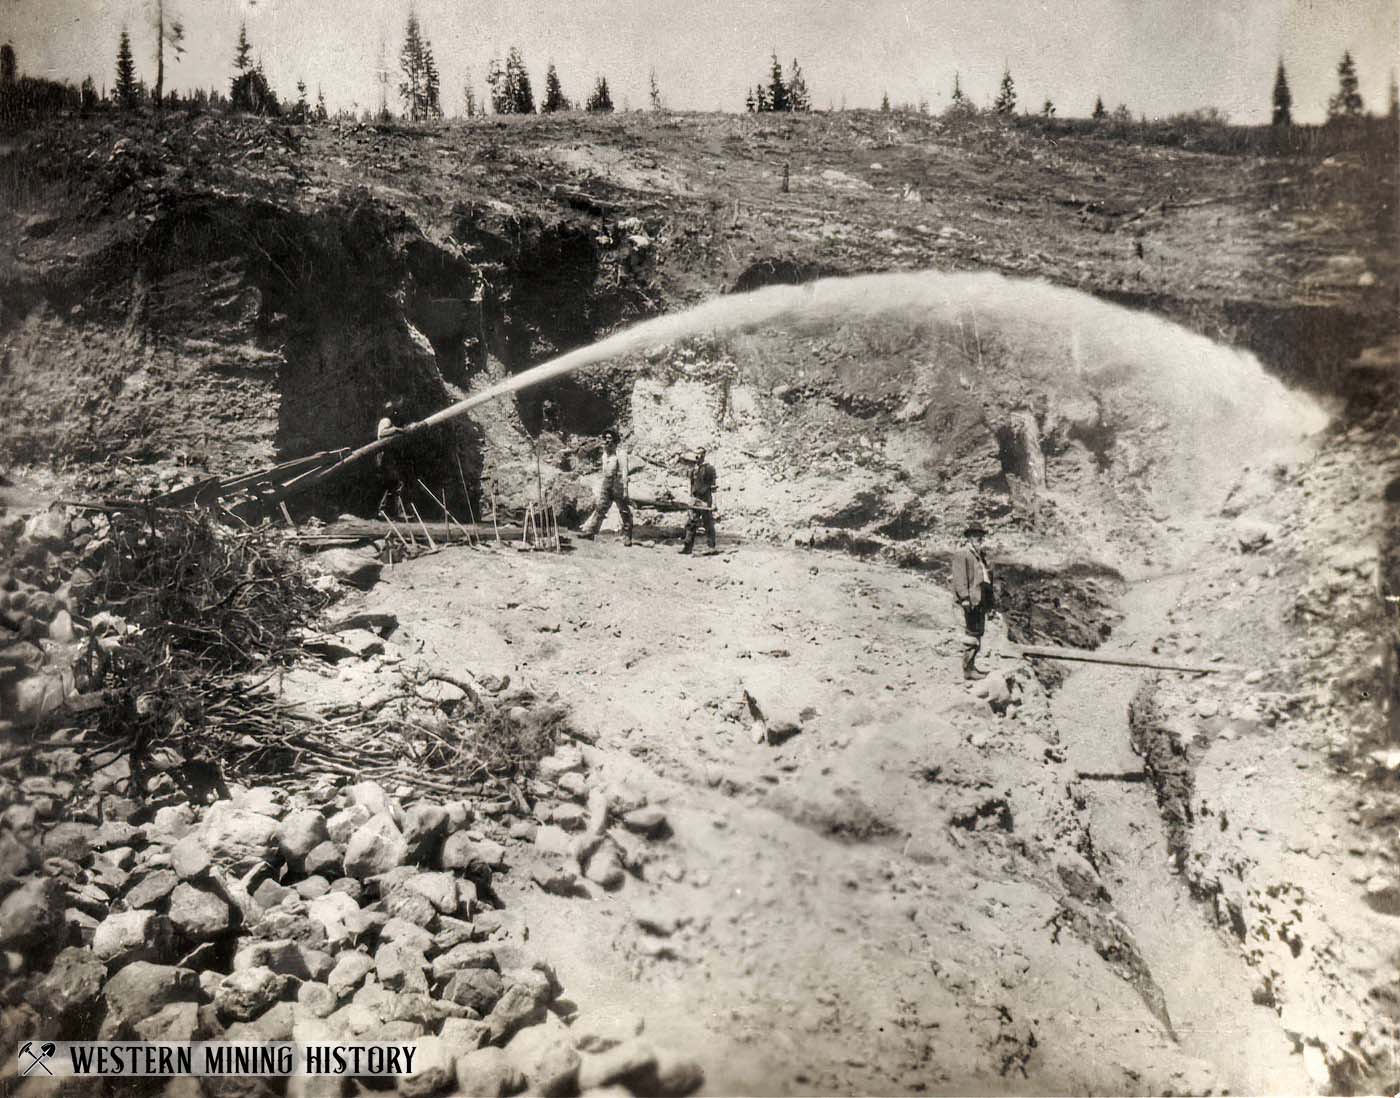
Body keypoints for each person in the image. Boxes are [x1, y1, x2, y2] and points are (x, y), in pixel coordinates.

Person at [950, 520, 996, 680]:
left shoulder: (981, 556)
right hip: (970, 600)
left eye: (980, 535)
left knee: (978, 633)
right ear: (969, 537)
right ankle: (968, 669)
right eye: (975, 535)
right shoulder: (962, 554)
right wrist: (964, 598)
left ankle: (972, 667)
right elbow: (959, 578)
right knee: (971, 634)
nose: (978, 538)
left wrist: (990, 603)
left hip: (980, 600)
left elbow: (987, 579)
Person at [580, 429, 633, 545]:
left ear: (615, 439)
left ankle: (627, 536)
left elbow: (624, 472)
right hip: (607, 483)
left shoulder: (621, 454)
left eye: (610, 438)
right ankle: (591, 532)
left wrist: (625, 490)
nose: (607, 441)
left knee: (624, 510)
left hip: (618, 483)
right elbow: (605, 471)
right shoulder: (605, 454)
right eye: (606, 438)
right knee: (600, 508)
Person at [679, 446, 718, 555]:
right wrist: (691, 497)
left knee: (708, 523)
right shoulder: (694, 469)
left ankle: (711, 547)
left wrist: (714, 503)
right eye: (696, 453)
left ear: (704, 455)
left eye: (700, 454)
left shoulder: (709, 468)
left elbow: (713, 487)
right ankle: (687, 547)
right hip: (695, 499)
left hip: (705, 499)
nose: (697, 456)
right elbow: (692, 485)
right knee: (691, 522)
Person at [375, 401, 410, 521]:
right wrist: (396, 430)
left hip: (387, 457)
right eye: (390, 409)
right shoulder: (386, 421)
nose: (392, 411)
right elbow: (382, 433)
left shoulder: (386, 421)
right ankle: (392, 512)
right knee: (396, 483)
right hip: (385, 457)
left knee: (392, 484)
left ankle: (385, 511)